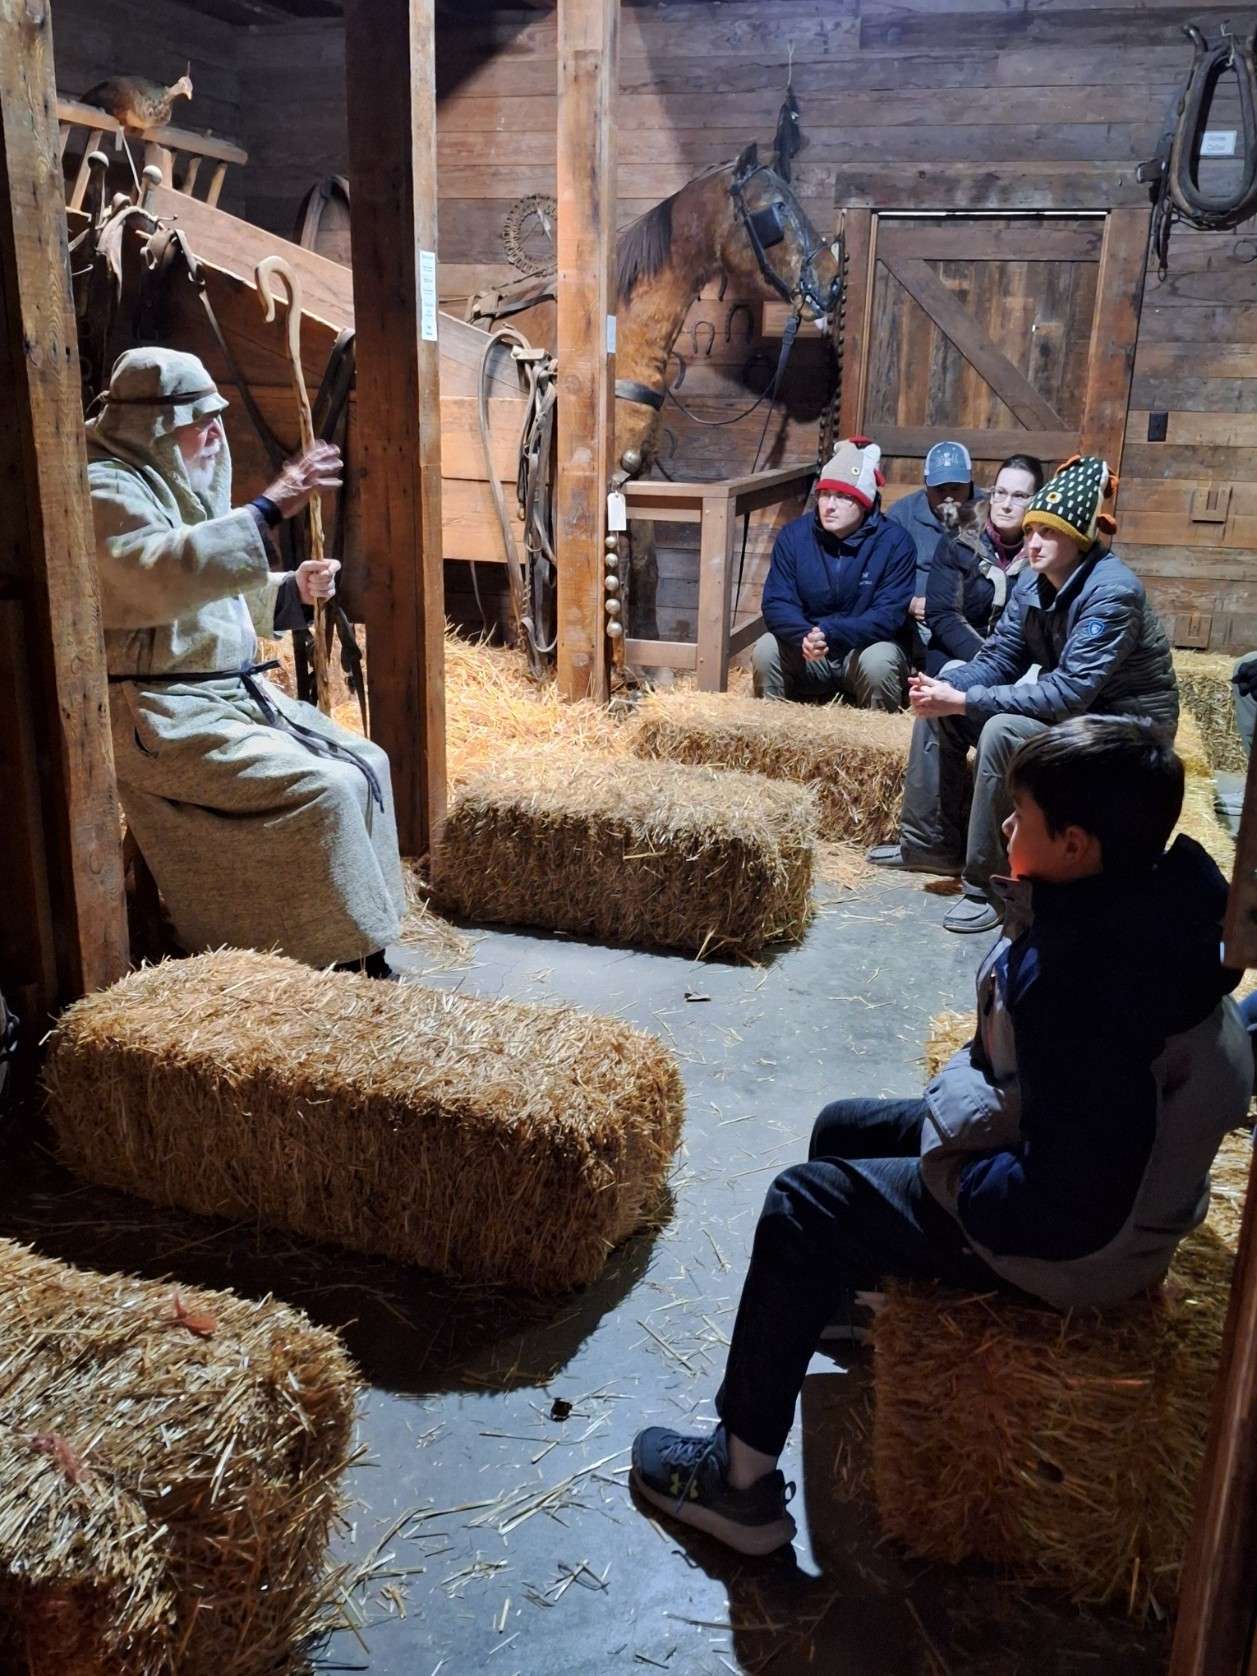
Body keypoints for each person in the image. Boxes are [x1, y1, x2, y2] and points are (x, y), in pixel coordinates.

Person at [630, 716, 1250, 1556]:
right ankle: (846, 1306)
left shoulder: (1088, 986)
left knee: (801, 1205)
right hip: (1060, 1157)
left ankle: (737, 1484)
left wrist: (950, 1170)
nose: (1005, 824)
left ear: (1074, 845)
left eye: (1021, 815)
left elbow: (1065, 1209)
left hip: (1078, 1247)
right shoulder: (1144, 907)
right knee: (841, 1129)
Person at [88, 347, 405, 976]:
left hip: (228, 699)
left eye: (217, 417)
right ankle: (316, 959)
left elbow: (209, 587)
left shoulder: (178, 484)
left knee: (366, 760)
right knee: (323, 790)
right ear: (153, 425)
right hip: (162, 715)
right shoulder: (105, 487)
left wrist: (291, 590)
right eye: (197, 419)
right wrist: (270, 504)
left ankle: (363, 939)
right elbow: (166, 571)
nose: (214, 432)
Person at [867, 456, 1178, 934]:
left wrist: (967, 701)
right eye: (1031, 530)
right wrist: (947, 690)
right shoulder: (1034, 580)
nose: (1033, 542)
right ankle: (929, 844)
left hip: (1127, 730)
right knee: (940, 707)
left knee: (1003, 730)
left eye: (1048, 532)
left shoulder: (1112, 593)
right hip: (1080, 715)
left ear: (1078, 537)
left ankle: (989, 887)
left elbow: (1070, 693)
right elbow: (999, 658)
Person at [752, 437, 915, 711]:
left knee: (880, 661)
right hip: (809, 650)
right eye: (825, 494)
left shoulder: (895, 542)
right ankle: (770, 724)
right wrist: (804, 635)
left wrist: (832, 633)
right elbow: (777, 601)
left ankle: (876, 731)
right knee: (766, 648)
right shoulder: (794, 536)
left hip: (862, 651)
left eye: (843, 497)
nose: (829, 505)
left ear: (864, 502)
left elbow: (888, 615)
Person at [922, 454, 1044, 674]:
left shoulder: (1045, 549)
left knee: (1035, 684)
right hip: (959, 653)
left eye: (1019, 496)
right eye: (1000, 493)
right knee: (959, 681)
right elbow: (942, 613)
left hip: (1020, 660)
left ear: (1036, 500)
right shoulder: (959, 539)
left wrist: (1011, 665)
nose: (1006, 505)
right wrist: (987, 661)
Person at [887, 438, 975, 643]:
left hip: (969, 618)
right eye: (940, 490)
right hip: (914, 622)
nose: (948, 497)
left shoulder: (986, 511)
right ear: (926, 485)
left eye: (956, 488)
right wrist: (909, 602)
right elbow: (882, 575)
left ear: (970, 483)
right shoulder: (902, 515)